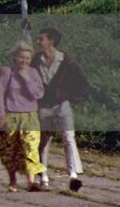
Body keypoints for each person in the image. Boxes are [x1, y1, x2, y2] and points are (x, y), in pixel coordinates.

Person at [34, 26, 89, 192]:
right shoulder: (36, 60)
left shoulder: (66, 61)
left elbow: (82, 83)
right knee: (43, 141)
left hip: (62, 104)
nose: (38, 42)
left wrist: (70, 96)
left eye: (41, 39)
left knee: (68, 138)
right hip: (43, 106)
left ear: (51, 41)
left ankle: (73, 175)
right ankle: (43, 176)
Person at [0, 41, 46, 192]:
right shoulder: (7, 72)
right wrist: (0, 115)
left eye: (28, 58)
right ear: (15, 57)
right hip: (11, 116)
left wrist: (26, 78)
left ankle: (31, 181)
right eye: (21, 57)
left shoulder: (33, 73)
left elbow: (38, 94)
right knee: (10, 149)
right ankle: (12, 180)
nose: (24, 61)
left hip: (30, 116)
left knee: (31, 147)